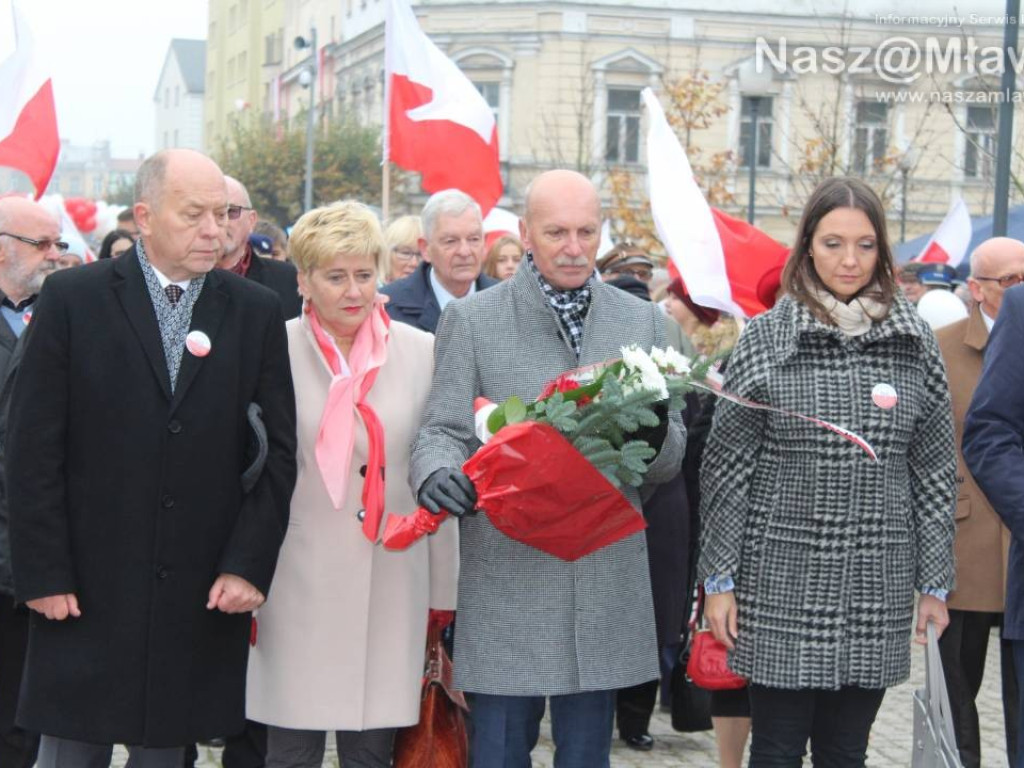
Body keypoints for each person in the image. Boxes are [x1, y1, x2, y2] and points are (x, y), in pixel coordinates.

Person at [6, 148, 298, 767]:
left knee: (167, 754)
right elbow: (30, 449)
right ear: (144, 215)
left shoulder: (254, 312)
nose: (213, 231)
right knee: (69, 752)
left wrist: (248, 565)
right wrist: (42, 572)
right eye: (193, 215)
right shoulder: (71, 300)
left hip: (197, 591)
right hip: (82, 589)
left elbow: (277, 455)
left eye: (221, 215)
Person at [409, 169, 685, 768]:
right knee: (500, 750)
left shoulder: (641, 322)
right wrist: (435, 475)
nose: (574, 246)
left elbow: (670, 455)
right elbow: (442, 430)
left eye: (587, 231)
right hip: (509, 569)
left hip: (602, 568)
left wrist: (651, 433)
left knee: (587, 754)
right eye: (557, 231)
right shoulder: (475, 320)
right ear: (526, 235)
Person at [699, 177, 956, 767]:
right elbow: (726, 471)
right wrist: (719, 581)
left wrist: (935, 583)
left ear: (883, 251)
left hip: (878, 579)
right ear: (807, 247)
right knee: (778, 747)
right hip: (778, 579)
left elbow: (936, 469)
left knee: (846, 751)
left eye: (865, 245)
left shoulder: (914, 340)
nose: (849, 260)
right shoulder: (768, 338)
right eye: (834, 242)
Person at [246, 200, 458, 768]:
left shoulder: (422, 353)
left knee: (372, 751)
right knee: (291, 749)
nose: (353, 291)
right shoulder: (271, 349)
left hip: (392, 577)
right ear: (304, 281)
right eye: (335, 276)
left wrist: (444, 594)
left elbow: (435, 464)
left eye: (364, 274)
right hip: (293, 577)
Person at [936, 238, 1024, 768]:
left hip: (1012, 543)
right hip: (967, 540)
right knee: (959, 686)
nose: (1019, 289)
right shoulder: (943, 346)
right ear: (978, 288)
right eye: (1011, 280)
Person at [0, 196, 64, 768]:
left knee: (28, 713)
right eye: (40, 244)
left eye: (58, 244)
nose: (53, 256)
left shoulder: (69, 313)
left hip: (40, 546)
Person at [380, 190, 498, 333]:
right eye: (451, 241)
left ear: (485, 243)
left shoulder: (511, 305)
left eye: (473, 239)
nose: (465, 251)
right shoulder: (388, 310)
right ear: (425, 249)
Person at [220, 177, 302, 320]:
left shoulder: (289, 279)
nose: (222, 221)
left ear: (251, 220)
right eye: (215, 213)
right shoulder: (178, 276)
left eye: (231, 211)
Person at [383, 215, 422, 283]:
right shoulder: (371, 292)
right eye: (405, 253)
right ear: (387, 254)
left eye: (421, 255)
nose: (414, 263)